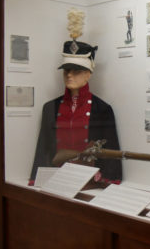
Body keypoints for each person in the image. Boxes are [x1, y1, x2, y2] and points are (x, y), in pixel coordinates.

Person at [29, 37, 122, 185]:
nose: (69, 75)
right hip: (55, 179)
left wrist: (109, 179)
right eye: (66, 70)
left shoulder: (102, 109)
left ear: (88, 73)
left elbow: (111, 150)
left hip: (88, 180)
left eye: (76, 70)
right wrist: (36, 179)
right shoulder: (50, 108)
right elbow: (43, 148)